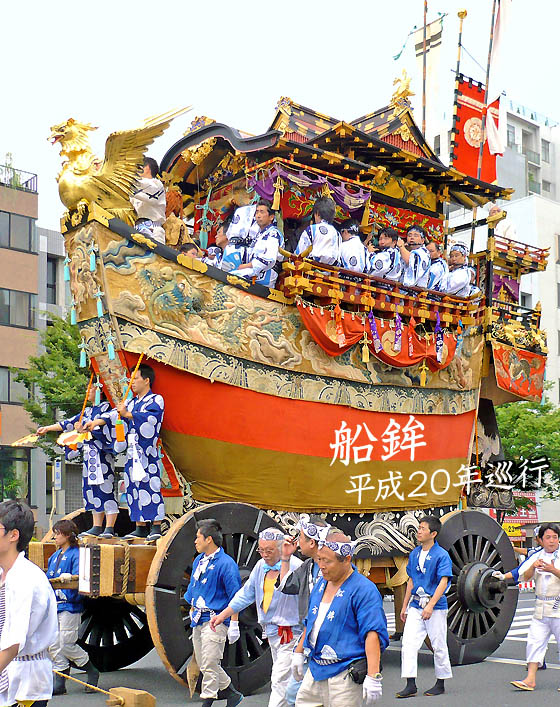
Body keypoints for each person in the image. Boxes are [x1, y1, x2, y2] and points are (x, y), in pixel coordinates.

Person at [292, 528, 387, 706]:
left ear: (347, 559)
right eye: (319, 559)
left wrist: (373, 675)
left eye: (327, 561)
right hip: (315, 667)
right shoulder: (321, 583)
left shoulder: (364, 589)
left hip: (344, 672)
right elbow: (312, 621)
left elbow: (372, 632)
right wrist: (298, 652)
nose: (321, 565)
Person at [210, 528, 302, 707]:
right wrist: (224, 615)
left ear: (281, 548)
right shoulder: (261, 566)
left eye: (269, 550)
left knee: (279, 680)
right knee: (288, 680)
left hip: (290, 633)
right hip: (271, 632)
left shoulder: (297, 567)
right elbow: (246, 594)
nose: (265, 554)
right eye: (261, 550)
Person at [85, 363, 165, 541]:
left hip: (146, 452)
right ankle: (140, 526)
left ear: (146, 380)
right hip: (132, 451)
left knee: (149, 485)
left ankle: (156, 525)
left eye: (136, 378)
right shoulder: (131, 401)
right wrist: (95, 423)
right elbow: (113, 415)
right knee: (133, 487)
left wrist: (128, 414)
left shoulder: (156, 399)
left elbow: (151, 419)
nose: (132, 382)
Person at [37, 386, 119, 538]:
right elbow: (67, 423)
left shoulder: (108, 409)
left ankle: (109, 526)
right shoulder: (86, 412)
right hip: (89, 457)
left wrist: (89, 430)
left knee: (105, 489)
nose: (87, 393)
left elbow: (109, 425)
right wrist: (47, 428)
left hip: (101, 455)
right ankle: (97, 525)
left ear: (100, 391)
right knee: (92, 490)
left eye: (91, 390)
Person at [0, 500, 58, 707]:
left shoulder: (25, 578)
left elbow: (13, 643)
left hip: (24, 682)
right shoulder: (5, 574)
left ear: (13, 535)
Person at [184, 519, 243, 707]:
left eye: (198, 537)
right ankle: (233, 694)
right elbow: (192, 590)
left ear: (209, 539)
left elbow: (236, 597)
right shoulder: (198, 561)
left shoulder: (227, 564)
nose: (195, 541)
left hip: (216, 619)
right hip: (198, 618)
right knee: (205, 663)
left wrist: (233, 623)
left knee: (210, 663)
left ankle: (207, 701)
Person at [276, 515, 331, 705]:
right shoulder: (307, 567)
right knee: (295, 694)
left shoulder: (334, 568)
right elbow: (286, 585)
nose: (297, 541)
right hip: (309, 638)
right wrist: (285, 557)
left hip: (330, 638)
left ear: (313, 542)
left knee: (301, 694)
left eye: (300, 537)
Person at [396, 515, 453, 698]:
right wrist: (404, 606)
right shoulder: (414, 554)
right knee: (409, 643)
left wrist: (431, 605)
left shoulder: (442, 555)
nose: (419, 531)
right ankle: (410, 683)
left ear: (433, 533)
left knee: (438, 644)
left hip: (435, 605)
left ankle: (440, 682)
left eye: (422, 528)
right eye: (419, 528)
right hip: (415, 604)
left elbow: (443, 582)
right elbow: (411, 581)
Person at [47, 519, 99, 695]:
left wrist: (70, 578)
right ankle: (60, 682)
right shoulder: (54, 557)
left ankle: (91, 669)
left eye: (58, 533)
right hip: (55, 606)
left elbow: (80, 578)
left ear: (68, 535)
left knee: (66, 643)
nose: (55, 536)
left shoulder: (77, 554)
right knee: (54, 644)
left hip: (70, 605)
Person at [509, 523, 560, 691]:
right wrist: (533, 566)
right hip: (541, 605)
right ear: (541, 540)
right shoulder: (537, 556)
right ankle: (530, 679)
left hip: (558, 604)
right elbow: (524, 576)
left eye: (554, 537)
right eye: (548, 537)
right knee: (534, 641)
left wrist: (553, 570)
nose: (551, 541)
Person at [230, 201, 284, 287]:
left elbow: (269, 259)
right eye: (257, 212)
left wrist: (246, 266)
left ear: (271, 217)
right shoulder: (259, 235)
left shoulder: (273, 233)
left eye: (262, 212)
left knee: (231, 278)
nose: (258, 215)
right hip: (255, 271)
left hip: (266, 274)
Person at [130, 157, 166, 243]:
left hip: (153, 229)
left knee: (156, 255)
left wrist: (124, 178)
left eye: (139, 167)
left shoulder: (157, 184)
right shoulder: (135, 189)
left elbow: (151, 197)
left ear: (147, 168)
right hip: (135, 229)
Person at [295, 198, 341, 265]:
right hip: (330, 272)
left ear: (317, 214)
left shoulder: (311, 229)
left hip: (309, 270)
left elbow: (299, 253)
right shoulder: (337, 234)